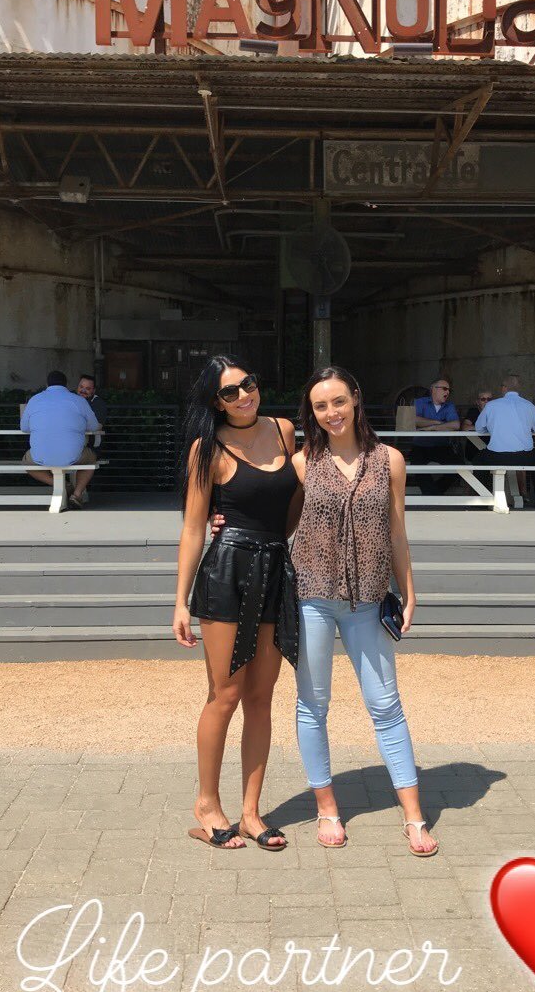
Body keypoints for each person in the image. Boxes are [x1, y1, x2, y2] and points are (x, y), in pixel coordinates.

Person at [211, 367, 438, 857]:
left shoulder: (390, 460)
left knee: (386, 705)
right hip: (311, 596)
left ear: (355, 399)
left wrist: (408, 589)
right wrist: (222, 519)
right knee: (312, 705)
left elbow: (397, 531)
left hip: (369, 598)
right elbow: (272, 514)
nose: (331, 413)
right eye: (320, 406)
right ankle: (327, 808)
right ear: (311, 414)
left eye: (338, 401)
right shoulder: (301, 463)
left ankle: (414, 816)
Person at [172, 358, 301, 851]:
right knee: (225, 694)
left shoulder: (284, 431)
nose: (244, 395)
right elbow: (192, 528)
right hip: (226, 572)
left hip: (275, 568)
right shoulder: (206, 449)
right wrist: (180, 602)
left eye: (248, 384)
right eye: (230, 392)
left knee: (261, 697)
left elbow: (292, 507)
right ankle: (207, 805)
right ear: (216, 402)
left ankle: (250, 812)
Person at [20, 370, 99, 509]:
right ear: (66, 385)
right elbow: (94, 426)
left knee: (26, 462)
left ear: (47, 384)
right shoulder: (79, 401)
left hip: (39, 455)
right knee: (91, 459)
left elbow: (24, 428)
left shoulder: (35, 400)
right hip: (74, 455)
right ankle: (77, 494)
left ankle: (62, 485)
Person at [474, 373, 535, 507]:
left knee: (478, 460)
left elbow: (479, 428)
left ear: (504, 388)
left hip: (496, 456)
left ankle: (483, 498)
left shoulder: (491, 405)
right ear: (518, 388)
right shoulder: (528, 405)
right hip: (524, 457)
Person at [409, 375, 461, 494]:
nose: (447, 392)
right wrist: (438, 422)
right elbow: (414, 420)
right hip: (421, 446)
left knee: (459, 467)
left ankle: (433, 493)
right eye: (444, 389)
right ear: (433, 389)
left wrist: (432, 427)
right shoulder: (419, 402)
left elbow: (456, 425)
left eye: (449, 390)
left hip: (441, 445)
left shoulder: (449, 406)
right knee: (418, 468)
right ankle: (433, 494)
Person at [76, 375, 107, 502]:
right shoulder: (71, 399)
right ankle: (73, 492)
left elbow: (97, 426)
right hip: (71, 445)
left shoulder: (98, 403)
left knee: (86, 460)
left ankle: (75, 493)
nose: (83, 390)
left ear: (93, 390)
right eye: (81, 387)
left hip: (91, 446)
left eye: (87, 388)